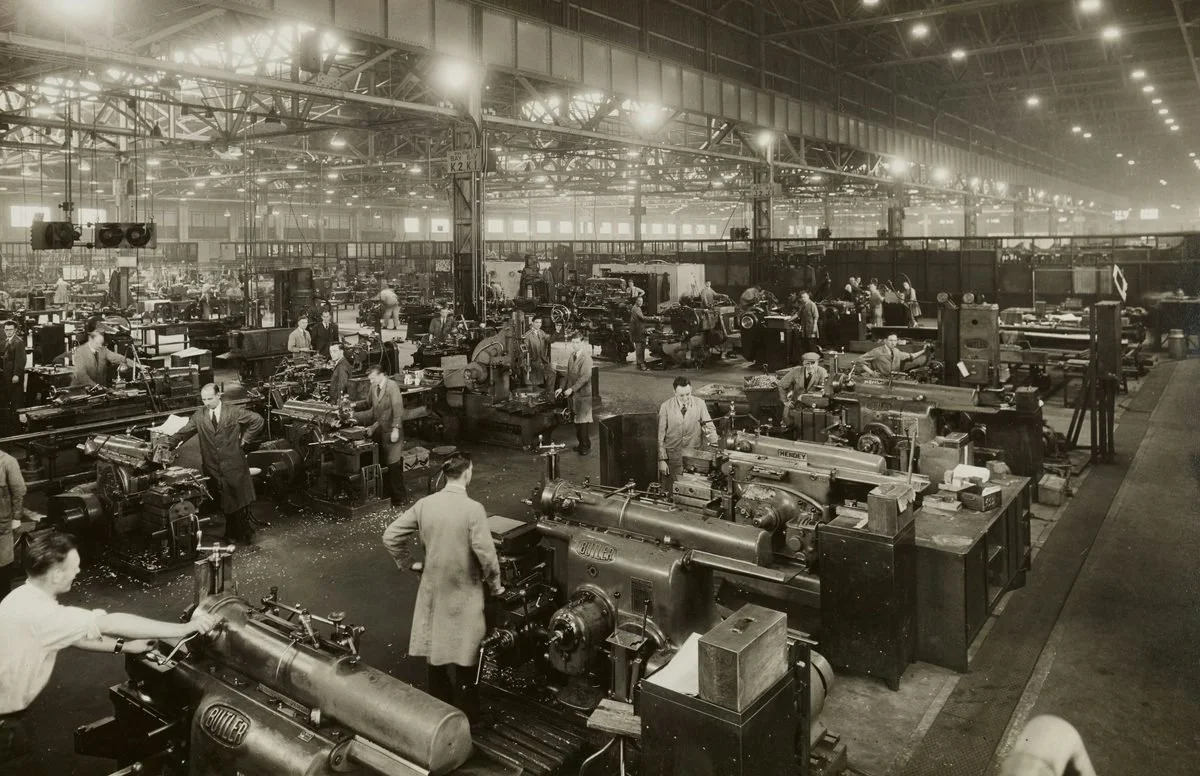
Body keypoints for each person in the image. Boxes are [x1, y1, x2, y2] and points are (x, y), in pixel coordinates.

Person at [0, 534, 220, 765]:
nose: (78, 572)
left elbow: (74, 636)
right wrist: (183, 629)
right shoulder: (44, 616)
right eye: (74, 567)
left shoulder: (21, 597)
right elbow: (110, 623)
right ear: (56, 574)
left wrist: (124, 646)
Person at [381, 453, 501, 722]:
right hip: (464, 590)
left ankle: (440, 716)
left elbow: (390, 536)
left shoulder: (425, 505)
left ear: (446, 475)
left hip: (433, 588)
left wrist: (409, 563)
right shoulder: (473, 510)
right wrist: (496, 586)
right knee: (466, 652)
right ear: (467, 473)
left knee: (435, 650)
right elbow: (487, 556)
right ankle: (469, 715)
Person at [166, 384, 264, 544]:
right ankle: (234, 532)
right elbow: (183, 432)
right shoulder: (199, 416)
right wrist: (167, 445)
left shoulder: (233, 411)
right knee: (225, 500)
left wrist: (245, 439)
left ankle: (243, 533)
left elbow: (257, 420)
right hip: (213, 467)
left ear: (219, 396)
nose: (206, 402)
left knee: (237, 499)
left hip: (234, 464)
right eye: (204, 399)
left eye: (210, 398)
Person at [354, 365, 406, 504]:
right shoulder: (374, 387)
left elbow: (398, 409)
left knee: (393, 463)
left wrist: (396, 429)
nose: (371, 382)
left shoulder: (392, 386)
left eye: (372, 378)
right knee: (382, 462)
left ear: (381, 375)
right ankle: (387, 494)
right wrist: (352, 408)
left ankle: (400, 497)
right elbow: (368, 405)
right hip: (380, 428)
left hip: (391, 430)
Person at [656, 376, 717, 489]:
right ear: (674, 392)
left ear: (691, 390)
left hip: (694, 455)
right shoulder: (665, 407)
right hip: (673, 457)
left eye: (688, 394)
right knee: (670, 489)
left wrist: (714, 449)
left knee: (692, 489)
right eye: (681, 395)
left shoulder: (700, 404)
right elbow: (660, 436)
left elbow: (709, 427)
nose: (685, 398)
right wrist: (662, 460)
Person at [559, 330, 593, 455]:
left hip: (583, 395)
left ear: (582, 343)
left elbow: (584, 378)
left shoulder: (586, 359)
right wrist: (561, 387)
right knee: (577, 422)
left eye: (577, 342)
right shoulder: (572, 356)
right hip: (574, 395)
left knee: (583, 422)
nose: (575, 345)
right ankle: (581, 444)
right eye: (573, 342)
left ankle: (586, 446)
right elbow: (567, 374)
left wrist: (571, 389)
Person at [778, 353, 829, 438]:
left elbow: (823, 391)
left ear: (817, 363)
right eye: (807, 363)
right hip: (795, 403)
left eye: (813, 363)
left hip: (813, 404)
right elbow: (781, 385)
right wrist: (785, 401)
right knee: (787, 420)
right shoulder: (796, 371)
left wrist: (805, 397)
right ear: (803, 363)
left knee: (813, 426)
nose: (810, 366)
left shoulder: (822, 372)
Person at [67, 330, 138, 388]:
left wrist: (136, 365)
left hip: (99, 390)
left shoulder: (102, 349)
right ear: (90, 340)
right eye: (97, 343)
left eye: (101, 343)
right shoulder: (80, 352)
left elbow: (118, 358)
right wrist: (96, 387)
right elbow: (81, 375)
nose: (100, 346)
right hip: (81, 391)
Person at [0, 448, 26, 600]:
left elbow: (19, 491)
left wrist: (16, 517)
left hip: (2, 523)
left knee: (2, 565)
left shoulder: (8, 461)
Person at [857, 334, 931, 377]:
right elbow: (859, 361)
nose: (893, 343)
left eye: (895, 340)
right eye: (891, 340)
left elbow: (911, 356)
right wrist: (872, 373)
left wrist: (923, 351)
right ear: (885, 341)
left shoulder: (897, 351)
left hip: (894, 381)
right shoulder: (877, 352)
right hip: (880, 380)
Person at [0, 321, 23, 435]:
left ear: (15, 330)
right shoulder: (7, 341)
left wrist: (16, 374)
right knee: (10, 400)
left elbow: (20, 360)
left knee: (16, 401)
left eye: (10, 330)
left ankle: (18, 429)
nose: (8, 332)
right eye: (6, 330)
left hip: (14, 377)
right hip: (7, 376)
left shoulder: (18, 342)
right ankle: (12, 427)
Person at [523, 317, 554, 391]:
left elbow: (550, 339)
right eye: (536, 322)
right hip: (532, 363)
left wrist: (558, 331)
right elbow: (524, 353)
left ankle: (549, 394)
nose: (538, 324)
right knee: (533, 385)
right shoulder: (527, 335)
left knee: (552, 374)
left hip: (542, 361)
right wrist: (526, 364)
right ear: (532, 323)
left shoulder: (541, 332)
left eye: (540, 322)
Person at [629, 296, 649, 371]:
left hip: (640, 330)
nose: (641, 302)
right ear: (636, 301)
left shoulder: (638, 308)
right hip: (637, 331)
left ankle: (641, 362)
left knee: (642, 346)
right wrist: (653, 318)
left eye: (642, 301)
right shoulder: (635, 308)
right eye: (639, 301)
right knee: (639, 347)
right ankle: (640, 363)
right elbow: (642, 318)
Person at [796, 290, 820, 354]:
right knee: (806, 344)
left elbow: (816, 316)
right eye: (802, 297)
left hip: (811, 327)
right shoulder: (803, 305)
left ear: (808, 297)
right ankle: (807, 360)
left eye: (805, 297)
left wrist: (814, 326)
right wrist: (789, 319)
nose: (803, 299)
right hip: (805, 328)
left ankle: (814, 359)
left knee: (811, 344)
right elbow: (798, 314)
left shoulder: (812, 304)